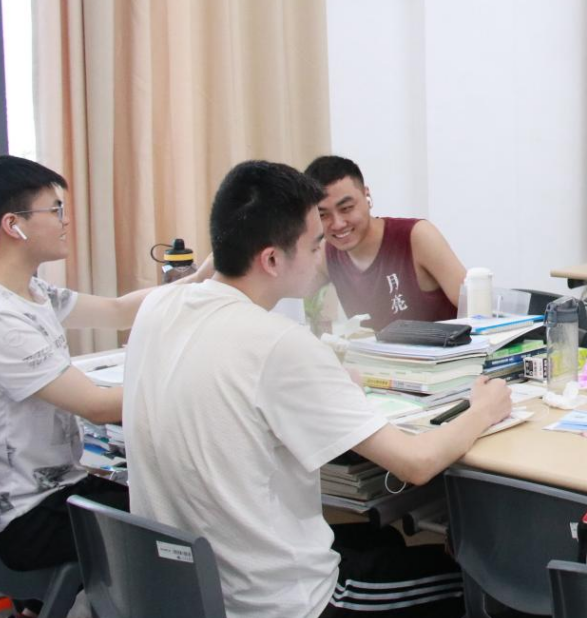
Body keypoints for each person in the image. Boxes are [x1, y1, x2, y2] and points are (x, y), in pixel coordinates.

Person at [123, 160, 511, 618]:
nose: (324, 252)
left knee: (381, 538)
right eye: (314, 244)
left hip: (182, 590)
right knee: (476, 579)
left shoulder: (159, 307)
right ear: (272, 259)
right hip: (283, 602)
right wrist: (482, 410)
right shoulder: (279, 345)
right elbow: (416, 463)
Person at [0, 156, 205, 605]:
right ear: (13, 225)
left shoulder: (22, 292)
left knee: (166, 495)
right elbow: (96, 407)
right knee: (185, 516)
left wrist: (203, 277)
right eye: (55, 210)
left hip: (46, 495)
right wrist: (199, 385)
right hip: (28, 520)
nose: (65, 221)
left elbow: (119, 310)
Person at [304, 155, 465, 331]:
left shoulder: (417, 236)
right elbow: (289, 293)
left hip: (444, 348)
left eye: (346, 208)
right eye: (322, 215)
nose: (338, 224)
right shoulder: (325, 254)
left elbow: (476, 307)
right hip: (371, 349)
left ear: (366, 195)